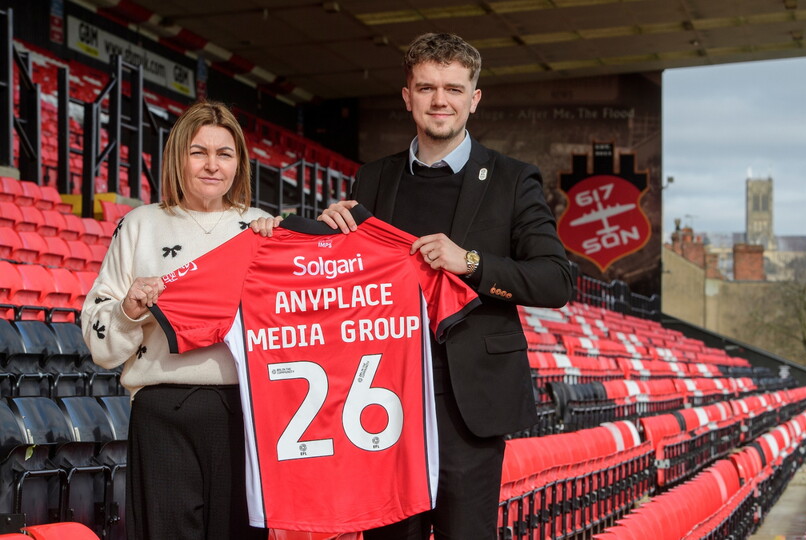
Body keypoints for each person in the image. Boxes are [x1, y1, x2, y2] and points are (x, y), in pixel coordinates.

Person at [320, 32, 574, 539]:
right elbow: (348, 280)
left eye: (454, 89)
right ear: (407, 96)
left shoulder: (512, 178)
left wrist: (471, 262)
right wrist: (328, 238)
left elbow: (555, 279)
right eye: (427, 87)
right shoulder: (372, 178)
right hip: (383, 403)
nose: (441, 101)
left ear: (474, 99)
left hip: (468, 405)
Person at [81, 100, 280, 540]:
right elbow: (100, 343)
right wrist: (129, 310)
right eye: (198, 152)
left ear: (239, 163)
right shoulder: (139, 224)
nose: (212, 165)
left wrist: (290, 241)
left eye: (224, 154)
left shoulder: (263, 228)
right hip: (162, 416)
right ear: (177, 158)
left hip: (246, 413)